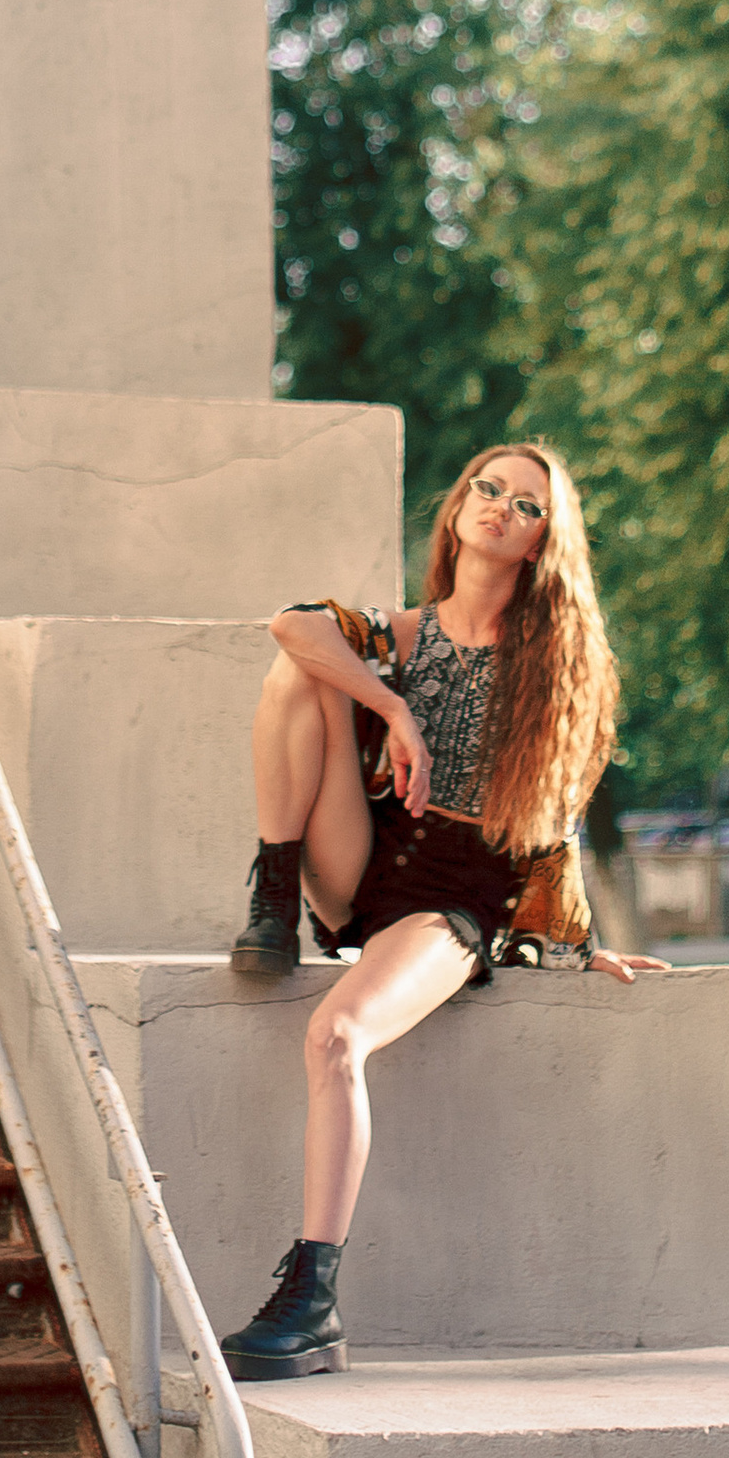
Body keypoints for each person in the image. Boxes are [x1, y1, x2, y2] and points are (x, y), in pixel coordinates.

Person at [217, 440, 668, 1380]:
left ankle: (312, 1298)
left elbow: (560, 827)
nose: (501, 507)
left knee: (337, 1037)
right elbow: (293, 624)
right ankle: (271, 892)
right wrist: (391, 707)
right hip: (365, 853)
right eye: (489, 488)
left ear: (548, 542)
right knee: (303, 665)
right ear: (460, 504)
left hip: (457, 897)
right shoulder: (401, 632)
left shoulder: (562, 668)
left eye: (528, 505)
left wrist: (578, 946)